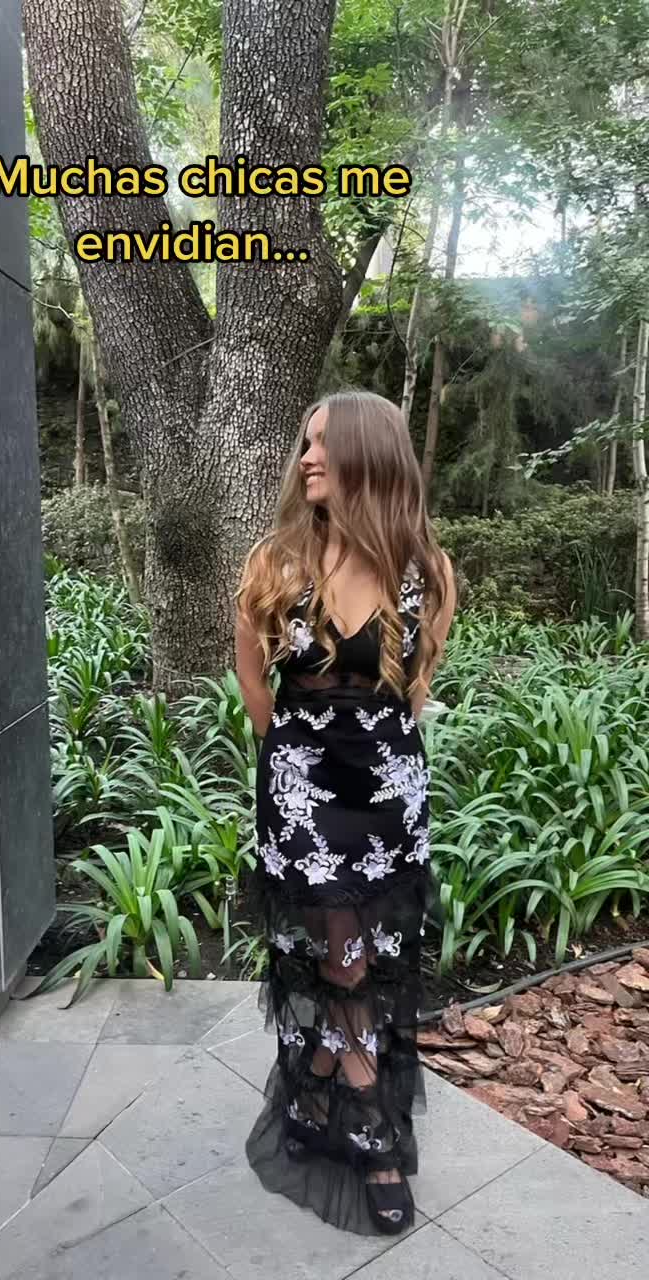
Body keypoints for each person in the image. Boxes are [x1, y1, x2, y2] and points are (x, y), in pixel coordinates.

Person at [233, 388, 456, 1236]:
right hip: (303, 793)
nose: (307, 457)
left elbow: (414, 689)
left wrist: (373, 756)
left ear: (371, 453)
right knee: (343, 953)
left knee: (363, 949)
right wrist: (292, 759)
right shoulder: (277, 562)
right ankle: (374, 1126)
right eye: (306, 442)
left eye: (325, 442)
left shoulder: (425, 571)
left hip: (388, 795)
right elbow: (253, 679)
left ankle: (318, 1078)